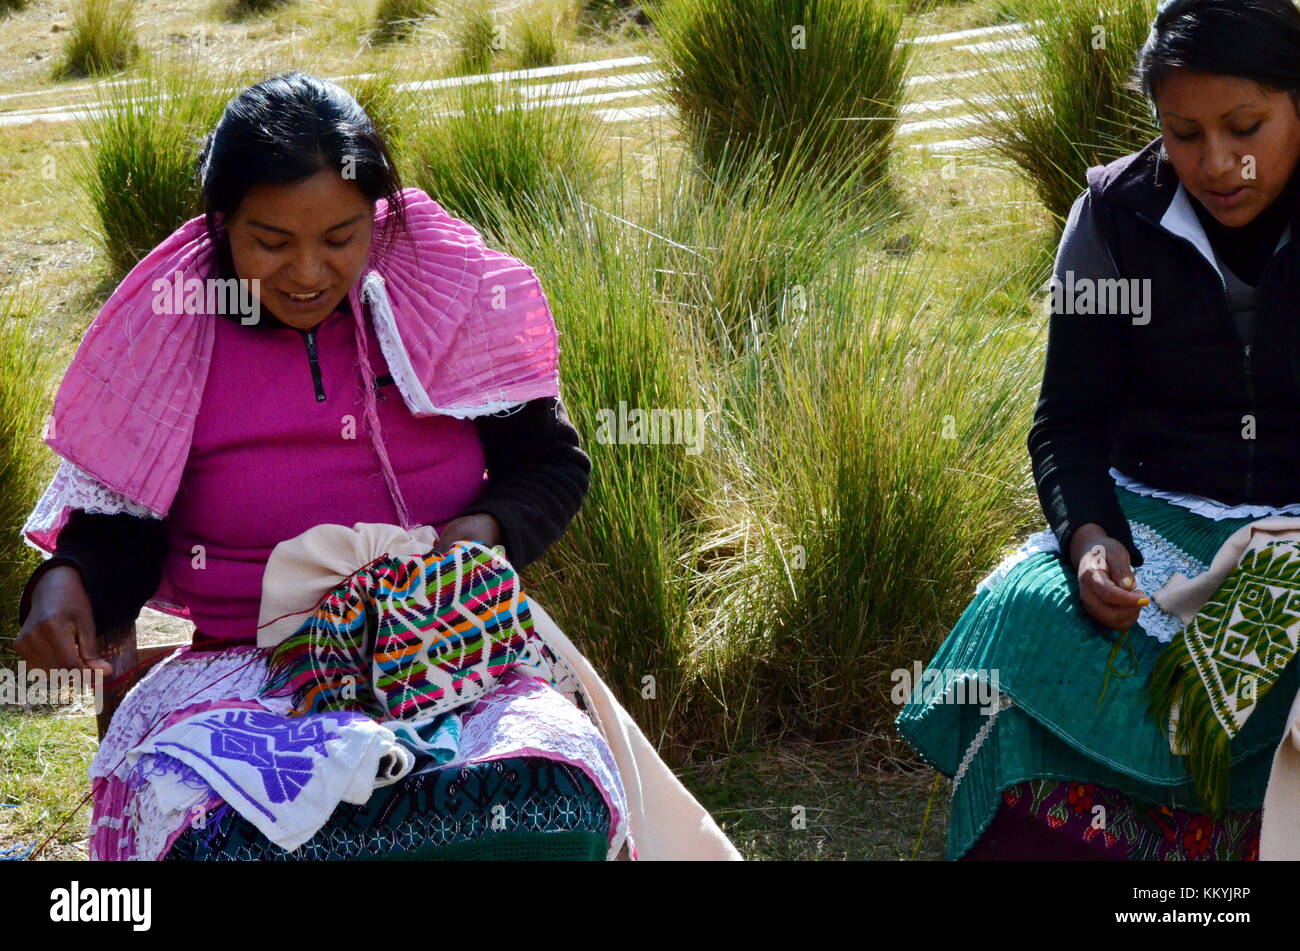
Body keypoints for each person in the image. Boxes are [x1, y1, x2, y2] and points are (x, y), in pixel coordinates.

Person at [14, 71, 738, 861]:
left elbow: (549, 462)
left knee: (548, 810)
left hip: (448, 652)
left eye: (340, 237)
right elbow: (119, 535)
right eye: (270, 240)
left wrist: (481, 529)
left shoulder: (442, 299)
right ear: (221, 222)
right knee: (231, 845)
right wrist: (64, 580)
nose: (309, 273)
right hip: (245, 680)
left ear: (376, 217)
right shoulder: (174, 328)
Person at [897, 0, 1300, 860]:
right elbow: (1066, 420)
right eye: (1184, 134)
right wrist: (1087, 538)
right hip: (1153, 510)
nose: (1219, 164)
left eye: (1246, 126)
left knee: (1241, 662)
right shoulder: (1112, 216)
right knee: (1026, 615)